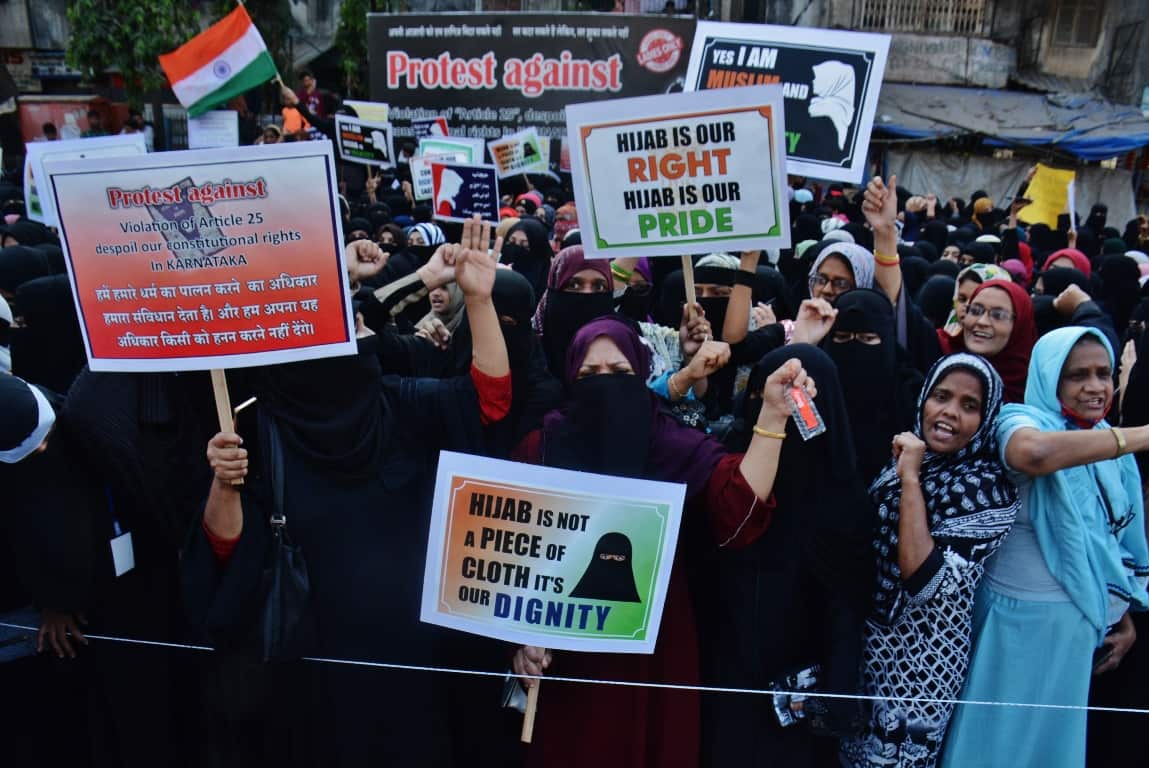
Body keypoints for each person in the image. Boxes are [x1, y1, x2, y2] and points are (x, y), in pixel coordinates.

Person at [184, 218, 512, 765]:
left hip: (402, 650)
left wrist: (478, 299)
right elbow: (224, 549)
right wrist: (224, 480)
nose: (367, 327)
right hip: (320, 656)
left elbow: (489, 402)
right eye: (355, 322)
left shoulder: (394, 402)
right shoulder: (258, 430)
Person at [511, 316, 815, 768]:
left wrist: (772, 416)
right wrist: (520, 637)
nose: (605, 387)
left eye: (620, 373)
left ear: (642, 374)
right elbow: (511, 553)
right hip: (561, 652)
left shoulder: (672, 444)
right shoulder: (541, 445)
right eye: (589, 376)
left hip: (655, 647)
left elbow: (740, 507)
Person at [942, 327, 1149, 768]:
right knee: (995, 745)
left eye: (1104, 373)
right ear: (1049, 377)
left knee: (1051, 748)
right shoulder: (1020, 420)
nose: (1095, 387)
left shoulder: (1108, 439)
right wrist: (1138, 436)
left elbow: (1108, 544)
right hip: (1015, 624)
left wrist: (1121, 612)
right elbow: (1032, 455)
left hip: (1077, 629)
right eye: (1077, 376)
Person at [841, 353, 1019, 767]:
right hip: (871, 649)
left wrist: (910, 478)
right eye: (941, 396)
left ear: (987, 416)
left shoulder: (986, 487)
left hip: (920, 663)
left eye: (969, 405)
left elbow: (922, 578)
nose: (950, 413)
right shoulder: (909, 459)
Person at [708, 344, 875, 767]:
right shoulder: (735, 472)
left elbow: (847, 606)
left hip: (803, 681)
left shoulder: (845, 496)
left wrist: (838, 689)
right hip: (728, 668)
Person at [938, 279, 1036, 403]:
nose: (982, 321)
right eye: (975, 311)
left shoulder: (1034, 392)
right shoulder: (939, 351)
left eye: (998, 315)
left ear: (1020, 326)